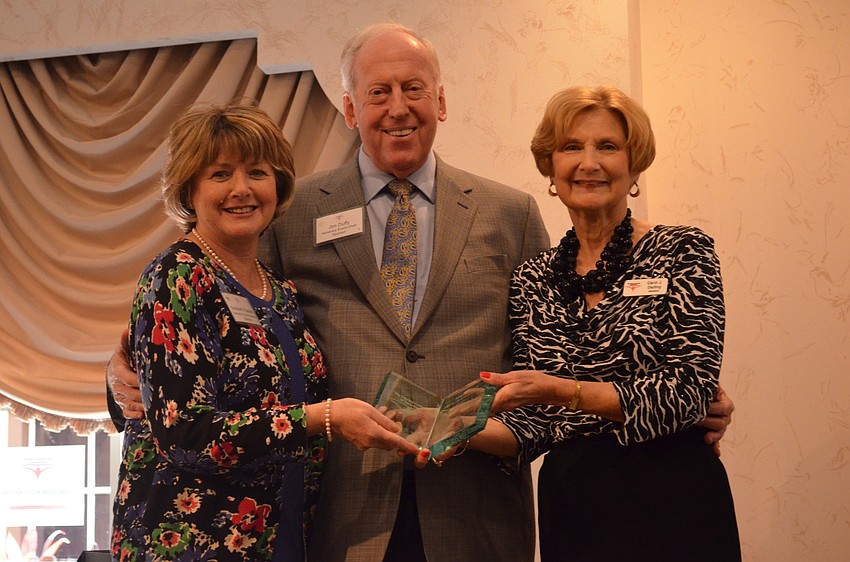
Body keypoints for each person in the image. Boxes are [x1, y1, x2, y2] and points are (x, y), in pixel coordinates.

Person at [107, 24, 736, 562]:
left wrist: (670, 393)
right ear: (351, 109)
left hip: (477, 512)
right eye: (378, 92)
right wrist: (117, 371)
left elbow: (554, 349)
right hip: (342, 515)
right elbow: (223, 319)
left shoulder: (508, 214)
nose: (397, 107)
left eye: (413, 89)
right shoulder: (289, 214)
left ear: (441, 100)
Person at [110, 102, 419, 562]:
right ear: (188, 189)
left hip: (280, 535)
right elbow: (188, 437)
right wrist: (322, 418)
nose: (241, 189)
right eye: (219, 174)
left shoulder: (279, 290)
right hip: (192, 542)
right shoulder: (177, 276)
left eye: (257, 171)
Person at [462, 86, 741, 561]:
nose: (588, 162)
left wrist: (559, 390)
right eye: (571, 147)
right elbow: (534, 424)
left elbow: (689, 392)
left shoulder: (682, 251)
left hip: (674, 496)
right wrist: (448, 428)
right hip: (574, 506)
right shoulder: (534, 278)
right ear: (551, 167)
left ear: (634, 166)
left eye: (607, 146)